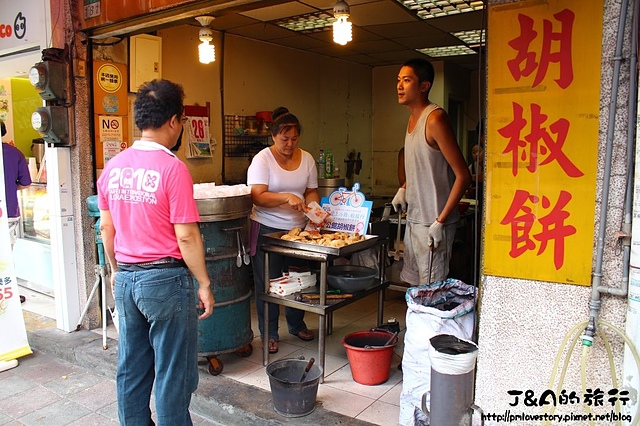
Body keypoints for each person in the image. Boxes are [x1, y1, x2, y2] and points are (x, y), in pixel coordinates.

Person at [97, 79, 214, 426]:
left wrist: (119, 270)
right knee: (172, 374)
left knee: (131, 369)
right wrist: (204, 283)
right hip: (164, 279)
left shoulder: (113, 167)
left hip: (127, 279)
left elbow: (107, 229)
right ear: (174, 121)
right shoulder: (173, 168)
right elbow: (187, 236)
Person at [392, 58, 471, 285]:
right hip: (415, 219)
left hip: (434, 223)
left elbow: (463, 175)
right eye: (398, 80)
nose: (399, 86)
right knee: (414, 285)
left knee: (432, 290)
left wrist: (441, 221)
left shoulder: (435, 119)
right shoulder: (411, 120)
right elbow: (422, 165)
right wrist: (404, 188)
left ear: (424, 86)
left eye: (407, 80)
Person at [247, 106, 318, 354]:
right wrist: (285, 197)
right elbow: (257, 196)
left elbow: (310, 189)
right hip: (267, 228)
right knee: (269, 283)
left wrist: (314, 206)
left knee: (297, 280)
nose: (290, 143)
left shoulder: (307, 158)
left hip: (298, 231)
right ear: (274, 135)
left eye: (294, 138)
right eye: (284, 138)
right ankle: (270, 333)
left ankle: (296, 324)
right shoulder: (262, 159)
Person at [1, 118, 31, 250]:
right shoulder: (15, 153)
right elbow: (25, 183)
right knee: (6, 256)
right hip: (9, 211)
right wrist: (11, 187)